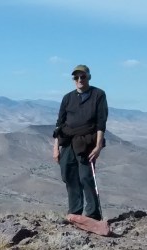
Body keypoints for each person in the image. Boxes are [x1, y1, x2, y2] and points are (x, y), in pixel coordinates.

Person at [52, 64, 108, 221]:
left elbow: (101, 122)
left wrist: (98, 146)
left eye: (82, 76)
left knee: (86, 177)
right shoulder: (67, 98)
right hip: (67, 141)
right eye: (76, 77)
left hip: (86, 142)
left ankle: (93, 214)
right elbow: (59, 124)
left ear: (88, 77)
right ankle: (75, 212)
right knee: (68, 175)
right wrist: (55, 148)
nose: (79, 80)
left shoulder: (98, 95)